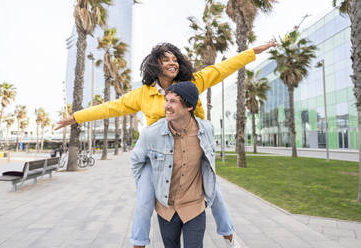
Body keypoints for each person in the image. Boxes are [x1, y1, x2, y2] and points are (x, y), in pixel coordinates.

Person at [55, 41, 276, 247]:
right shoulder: (143, 94)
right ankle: (139, 242)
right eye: (166, 60)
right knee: (143, 199)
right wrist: (76, 117)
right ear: (155, 66)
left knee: (214, 190)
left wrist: (253, 52)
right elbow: (111, 107)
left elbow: (222, 68)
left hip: (191, 147)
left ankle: (230, 237)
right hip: (158, 155)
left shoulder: (192, 84)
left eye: (175, 59)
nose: (173, 63)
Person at [132, 82, 218, 247]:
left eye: (173, 101)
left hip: (195, 206)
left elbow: (209, 163)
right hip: (167, 209)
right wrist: (145, 186)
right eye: (167, 101)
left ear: (189, 107)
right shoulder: (151, 133)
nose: (167, 106)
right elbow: (136, 161)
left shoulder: (206, 129)